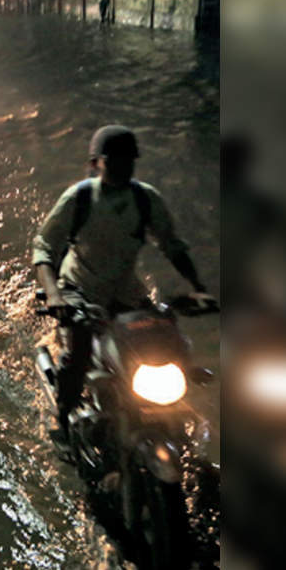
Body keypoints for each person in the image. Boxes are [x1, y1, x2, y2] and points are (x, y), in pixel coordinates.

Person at [32, 125, 215, 434]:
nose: (121, 167)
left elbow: (172, 245)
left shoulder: (145, 200)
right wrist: (54, 295)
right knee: (79, 351)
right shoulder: (80, 199)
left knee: (164, 336)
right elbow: (44, 247)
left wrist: (198, 288)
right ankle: (62, 416)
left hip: (125, 290)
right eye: (112, 160)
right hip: (80, 288)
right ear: (95, 163)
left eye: (127, 160)